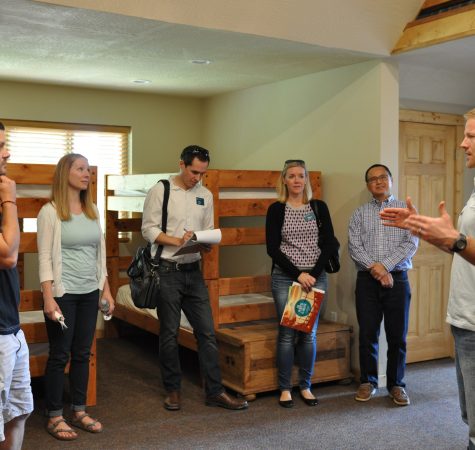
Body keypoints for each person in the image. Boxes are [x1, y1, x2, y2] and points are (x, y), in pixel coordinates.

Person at [381, 107, 475, 450]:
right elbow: (462, 246)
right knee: (471, 422)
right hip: (465, 319)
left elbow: (461, 243)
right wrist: (431, 232)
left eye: (472, 136)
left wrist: (454, 240)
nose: (463, 144)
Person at [141, 145, 248, 411]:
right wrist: (178, 240)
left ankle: (215, 391)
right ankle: (173, 390)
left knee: (207, 333)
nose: (196, 178)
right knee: (169, 333)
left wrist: (205, 241)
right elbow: (148, 229)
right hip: (167, 270)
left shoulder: (205, 194)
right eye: (193, 171)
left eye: (202, 173)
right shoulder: (161, 190)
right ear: (182, 164)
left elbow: (208, 229)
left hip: (193, 271)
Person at [37, 153, 114, 441]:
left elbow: (100, 255)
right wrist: (48, 296)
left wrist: (104, 289)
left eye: (88, 170)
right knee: (60, 354)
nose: (87, 174)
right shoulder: (50, 211)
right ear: (65, 173)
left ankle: (78, 411)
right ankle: (54, 415)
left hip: (89, 291)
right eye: (80, 169)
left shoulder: (92, 210)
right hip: (64, 294)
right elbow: (44, 257)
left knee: (84, 353)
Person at [265, 159, 339, 408]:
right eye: (292, 176)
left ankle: (306, 386)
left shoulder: (318, 207)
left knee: (308, 333)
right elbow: (272, 249)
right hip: (286, 277)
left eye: (301, 176)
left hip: (314, 278)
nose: (297, 180)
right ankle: (285, 388)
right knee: (287, 333)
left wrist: (312, 274)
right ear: (284, 180)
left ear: (306, 179)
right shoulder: (276, 209)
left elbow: (329, 244)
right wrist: (298, 274)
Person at [348, 164, 418, 406]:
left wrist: (385, 267)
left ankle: (396, 385)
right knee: (368, 333)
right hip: (367, 281)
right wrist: (376, 271)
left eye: (382, 177)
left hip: (397, 279)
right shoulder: (359, 213)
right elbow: (354, 247)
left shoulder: (405, 211)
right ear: (367, 185)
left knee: (397, 336)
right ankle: (368, 381)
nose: (378, 182)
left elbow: (411, 243)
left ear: (390, 180)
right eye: (372, 179)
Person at [0, 122, 33, 449]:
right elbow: (8, 255)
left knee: (19, 413)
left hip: (11, 329)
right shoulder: (4, 198)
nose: (7, 152)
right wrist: (10, 200)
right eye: (0, 146)